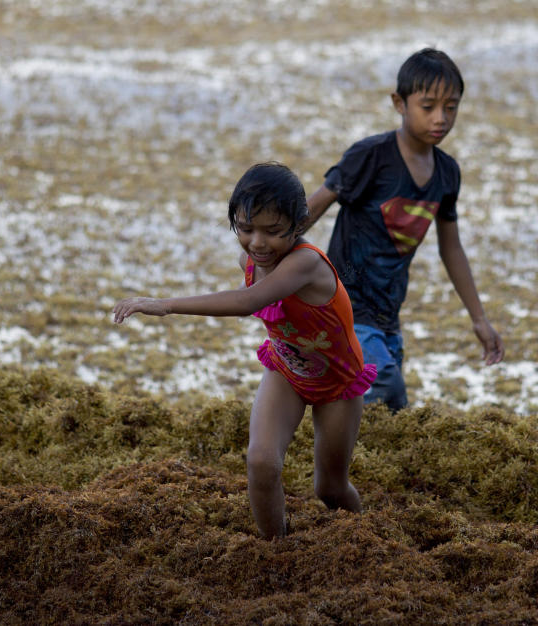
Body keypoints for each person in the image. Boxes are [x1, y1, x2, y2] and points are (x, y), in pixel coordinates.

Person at [112, 162, 377, 539]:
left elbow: (245, 301)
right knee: (261, 462)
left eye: (272, 231)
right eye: (246, 228)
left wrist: (164, 304)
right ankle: (276, 548)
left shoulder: (306, 263)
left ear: (298, 225)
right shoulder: (252, 261)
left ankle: (368, 536)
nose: (257, 243)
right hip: (287, 372)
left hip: (337, 382)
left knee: (330, 488)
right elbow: (250, 283)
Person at [305, 47, 504, 412]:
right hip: (343, 304)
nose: (440, 118)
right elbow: (313, 207)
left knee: (389, 411)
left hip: (388, 313)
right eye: (427, 107)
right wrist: (266, 250)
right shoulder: (370, 157)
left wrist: (480, 319)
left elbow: (452, 249)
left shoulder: (447, 174)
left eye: (451, 107)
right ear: (400, 103)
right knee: (385, 385)